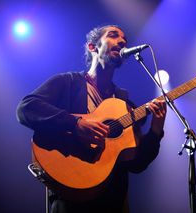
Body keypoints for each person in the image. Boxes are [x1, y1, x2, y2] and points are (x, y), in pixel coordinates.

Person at [16, 25, 167, 213]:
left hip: (113, 202)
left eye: (124, 39)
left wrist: (156, 130)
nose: (122, 41)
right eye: (113, 35)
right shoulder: (68, 82)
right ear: (92, 47)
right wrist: (75, 123)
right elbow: (26, 108)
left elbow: (136, 165)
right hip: (70, 200)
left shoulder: (125, 105)